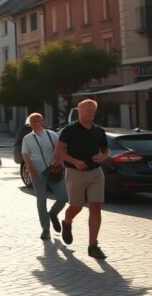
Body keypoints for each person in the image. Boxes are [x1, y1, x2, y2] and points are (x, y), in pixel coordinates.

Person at [54, 98, 109, 259]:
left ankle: (93, 245)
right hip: (75, 173)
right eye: (87, 110)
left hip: (96, 173)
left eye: (93, 110)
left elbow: (106, 150)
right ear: (79, 111)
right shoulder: (69, 130)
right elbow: (59, 152)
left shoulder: (99, 131)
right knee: (76, 206)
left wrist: (103, 156)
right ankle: (67, 221)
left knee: (95, 206)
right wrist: (75, 161)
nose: (91, 113)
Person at [21, 112, 67, 241]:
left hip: (54, 170)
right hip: (37, 172)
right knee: (41, 200)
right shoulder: (27, 138)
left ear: (42, 122)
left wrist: (57, 162)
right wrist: (30, 168)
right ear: (29, 124)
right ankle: (45, 229)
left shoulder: (52, 135)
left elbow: (61, 150)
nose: (35, 123)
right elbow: (25, 154)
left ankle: (53, 213)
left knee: (63, 196)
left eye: (38, 121)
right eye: (33, 122)